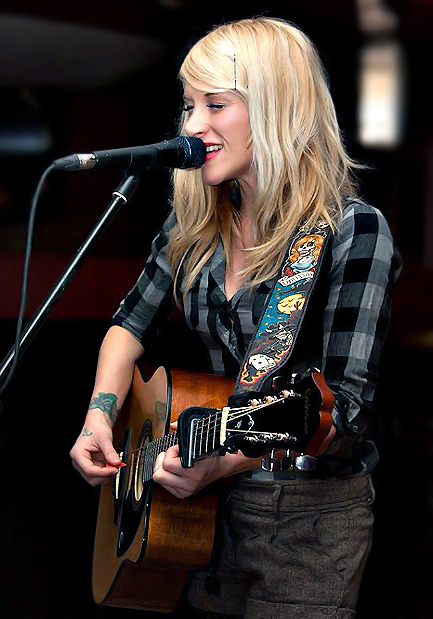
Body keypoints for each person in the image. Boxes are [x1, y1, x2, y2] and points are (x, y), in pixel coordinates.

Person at [70, 17, 401, 618]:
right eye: (189, 105)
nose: (193, 126)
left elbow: (343, 410)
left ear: (276, 108)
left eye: (215, 104)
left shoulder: (353, 230)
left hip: (308, 526)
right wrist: (101, 412)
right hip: (205, 516)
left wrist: (226, 455)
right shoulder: (193, 224)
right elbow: (127, 327)